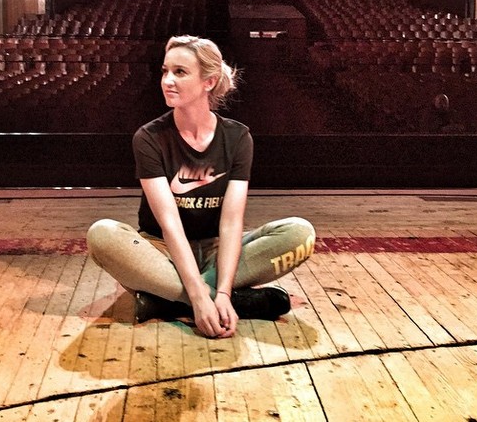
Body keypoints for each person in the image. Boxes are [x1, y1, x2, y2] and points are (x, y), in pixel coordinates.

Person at [87, 35, 316, 339]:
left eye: (180, 72)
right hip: (162, 251)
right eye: (165, 71)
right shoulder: (149, 138)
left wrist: (223, 291)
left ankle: (164, 302)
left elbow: (231, 222)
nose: (167, 80)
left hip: (216, 250)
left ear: (209, 82)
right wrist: (200, 297)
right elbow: (170, 223)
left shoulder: (237, 137)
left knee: (300, 233)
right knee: (101, 234)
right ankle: (228, 302)